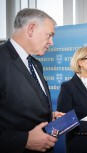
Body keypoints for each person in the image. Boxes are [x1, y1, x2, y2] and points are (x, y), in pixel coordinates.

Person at [0, 8, 63, 153]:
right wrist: (24, 140)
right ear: (31, 29)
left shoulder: (36, 64)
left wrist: (49, 115)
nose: (51, 42)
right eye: (49, 35)